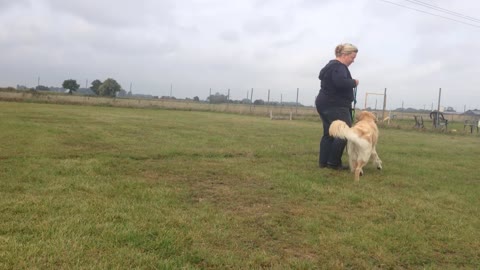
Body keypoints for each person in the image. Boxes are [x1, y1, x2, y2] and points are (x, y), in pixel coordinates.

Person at [315, 43, 359, 170]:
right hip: (335, 105)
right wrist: (354, 82)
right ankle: (333, 163)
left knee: (329, 133)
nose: (353, 61)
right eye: (352, 57)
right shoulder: (339, 67)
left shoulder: (330, 66)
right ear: (344, 55)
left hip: (324, 103)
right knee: (343, 133)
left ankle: (324, 163)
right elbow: (340, 82)